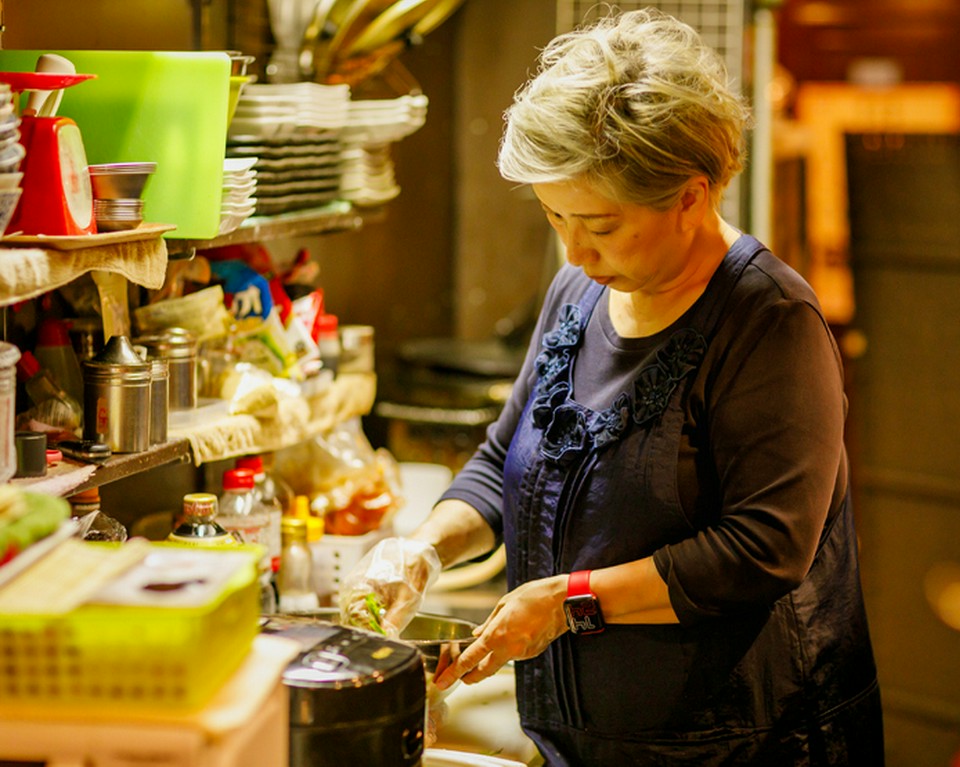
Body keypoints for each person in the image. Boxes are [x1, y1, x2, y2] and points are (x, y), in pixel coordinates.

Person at [338, 8, 884, 765]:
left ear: (690, 196)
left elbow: (764, 547)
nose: (574, 250)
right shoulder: (578, 292)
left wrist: (568, 604)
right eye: (554, 217)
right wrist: (423, 548)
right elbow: (502, 463)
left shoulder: (769, 321)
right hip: (586, 739)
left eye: (599, 224)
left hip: (745, 744)